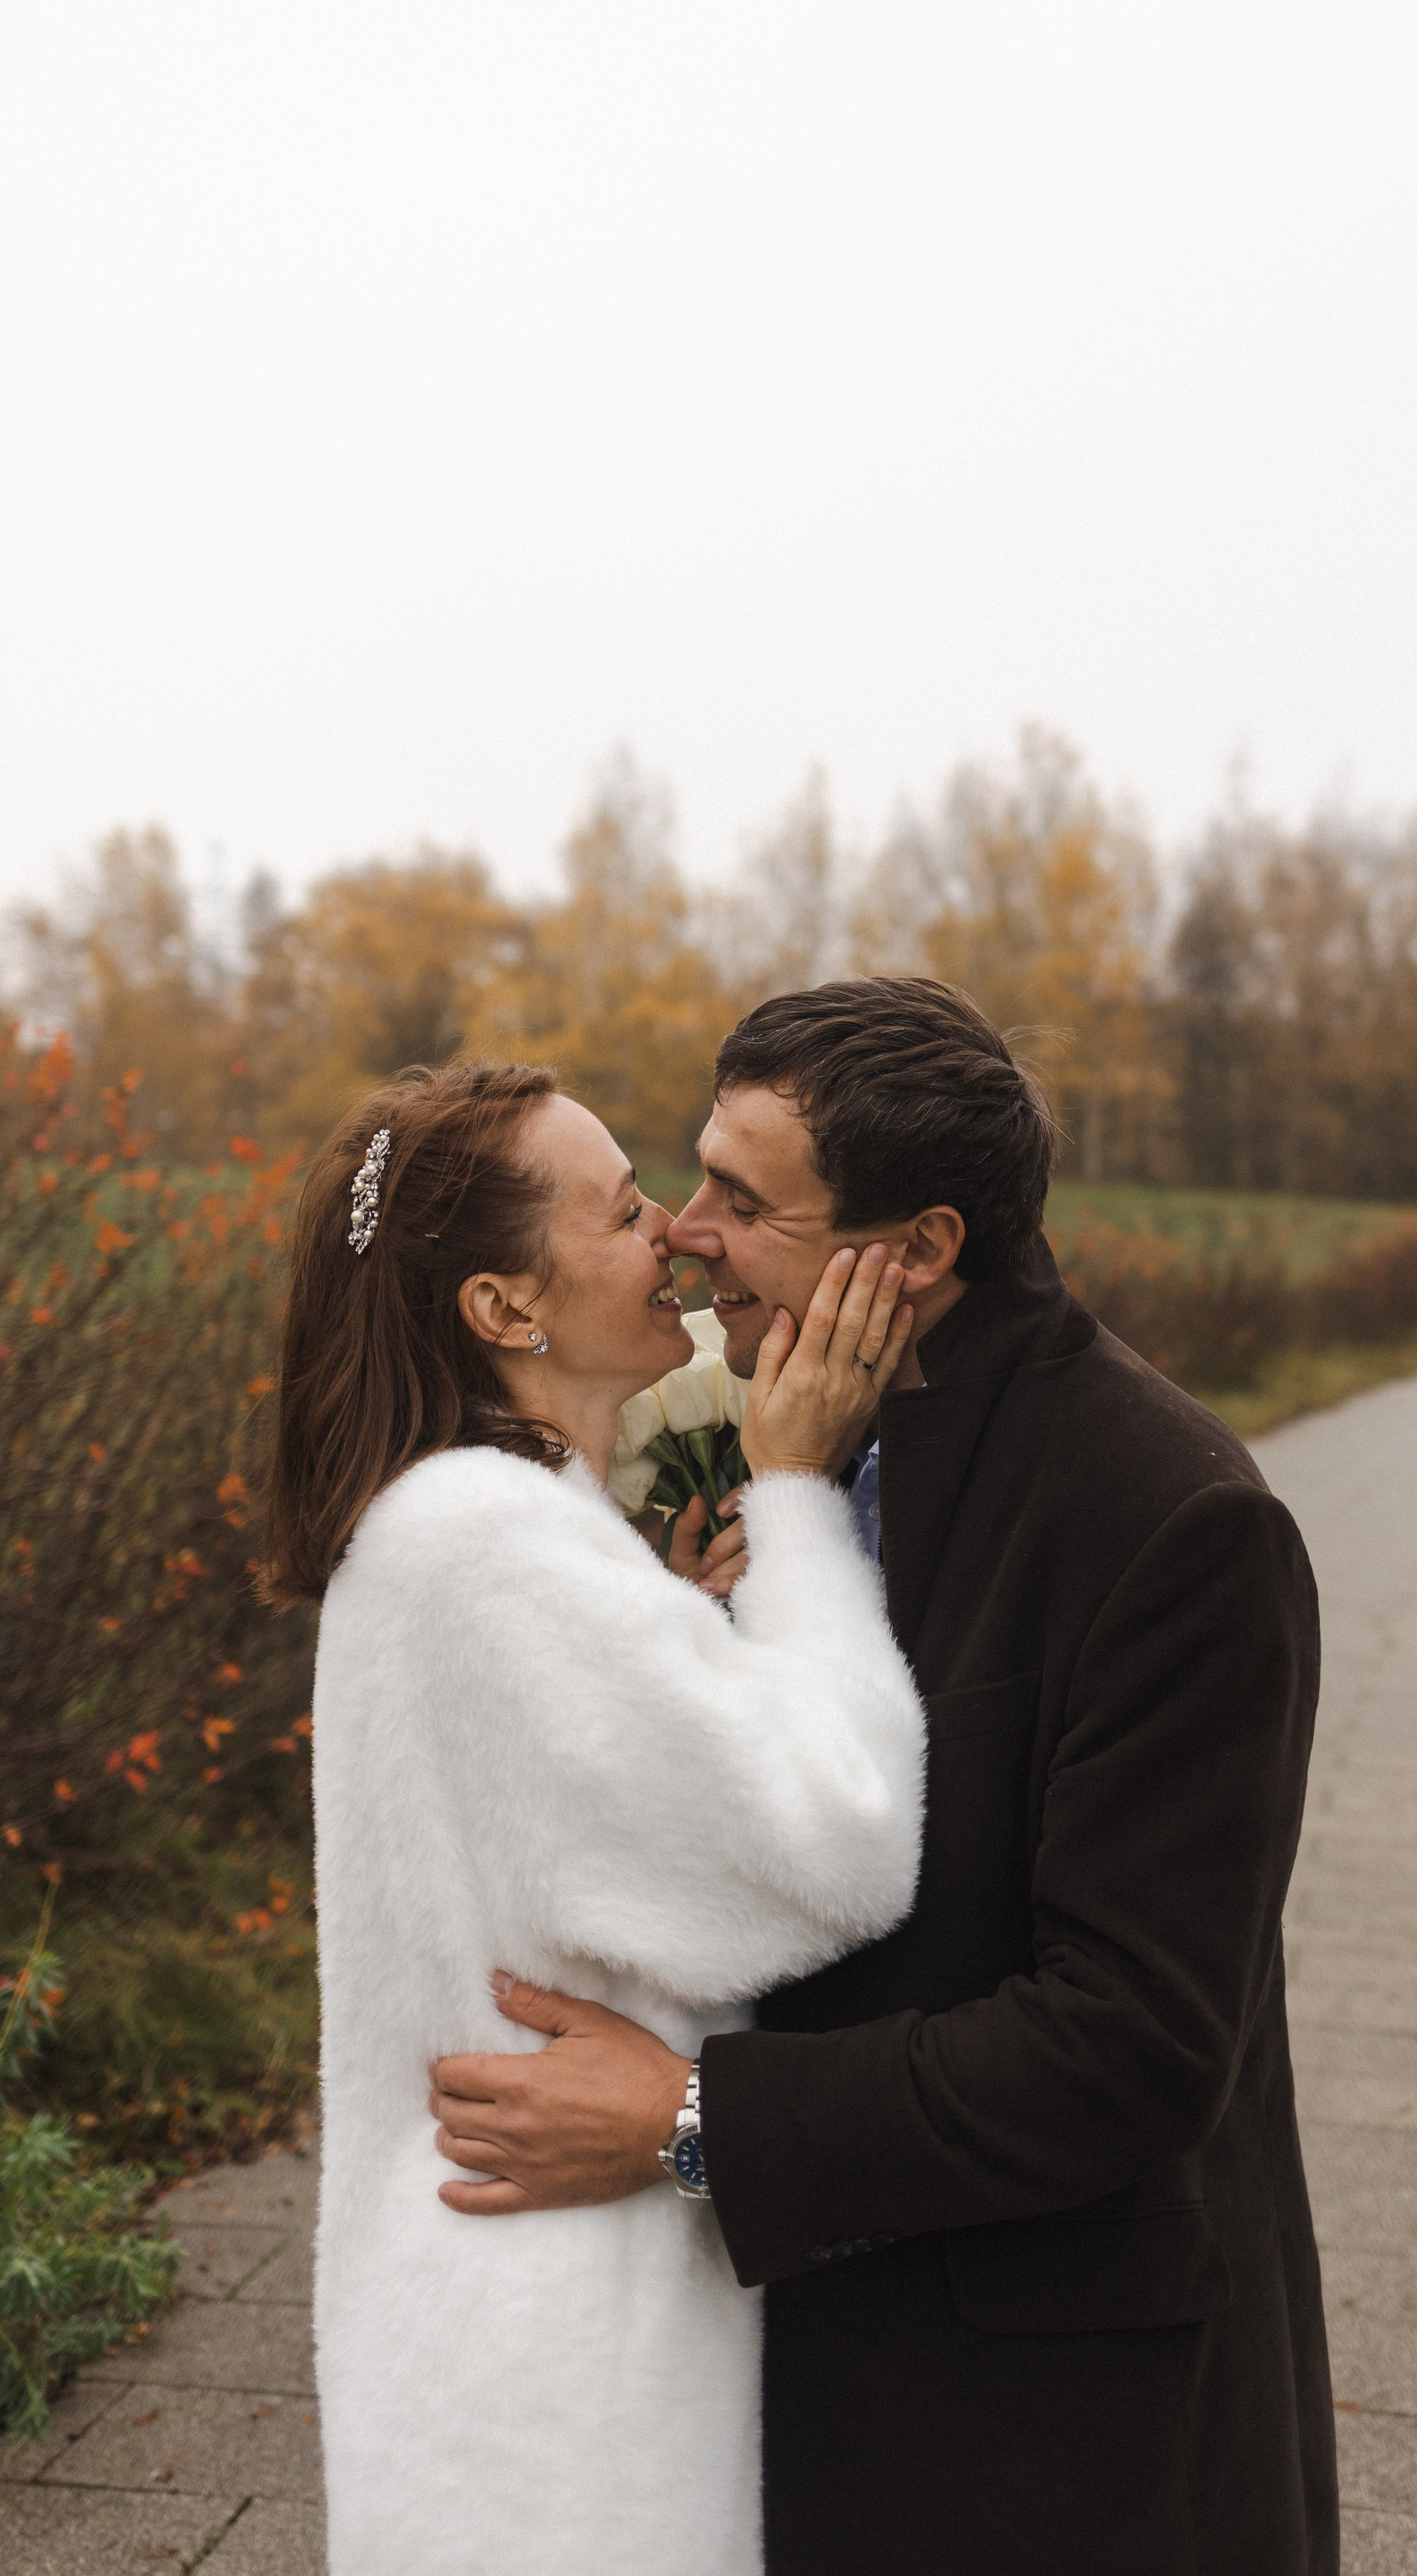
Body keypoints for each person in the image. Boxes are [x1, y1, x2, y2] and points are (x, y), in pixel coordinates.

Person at [426, 979, 1338, 2576]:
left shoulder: (1173, 1522)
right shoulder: (802, 1439)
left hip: (1056, 2433)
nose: (689, 1233)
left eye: (744, 1200)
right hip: (831, 2366)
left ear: (916, 1249)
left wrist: (692, 2119)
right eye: (696, 1177)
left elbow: (1134, 2047)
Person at [266, 1058, 927, 2576]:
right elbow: (841, 1842)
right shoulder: (488, 1546)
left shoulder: (475, 1525)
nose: (676, 1237)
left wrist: (686, 1641)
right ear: (504, 1307)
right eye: (625, 1213)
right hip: (552, 2370)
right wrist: (799, 1499)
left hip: (505, 2307)